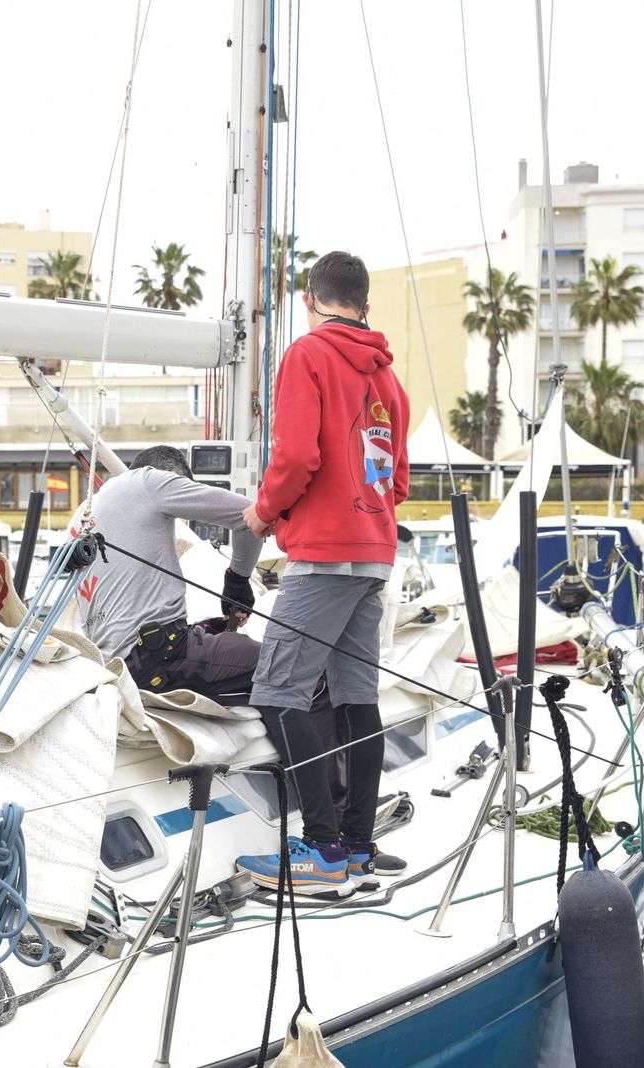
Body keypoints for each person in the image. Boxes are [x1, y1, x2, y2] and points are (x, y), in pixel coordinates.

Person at [235, 250, 411, 897]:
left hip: (325, 555)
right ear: (365, 305)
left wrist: (262, 512)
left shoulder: (307, 356)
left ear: (309, 301)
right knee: (355, 697)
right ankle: (359, 846)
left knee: (277, 694)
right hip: (374, 552)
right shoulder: (390, 381)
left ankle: (323, 850)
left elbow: (297, 456)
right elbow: (399, 482)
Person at [69, 445, 263, 704]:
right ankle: (323, 746)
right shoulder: (150, 481)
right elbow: (252, 518)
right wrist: (237, 580)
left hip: (116, 666)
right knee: (286, 664)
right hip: (159, 658)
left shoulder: (85, 514)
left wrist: (211, 626)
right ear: (172, 478)